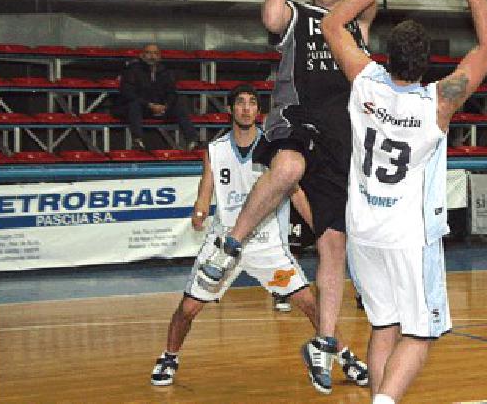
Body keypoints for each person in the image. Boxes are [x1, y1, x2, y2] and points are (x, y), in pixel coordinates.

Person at [197, 0, 375, 394]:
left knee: (333, 243)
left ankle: (323, 343)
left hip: (343, 136)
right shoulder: (299, 12)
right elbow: (272, 19)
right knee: (290, 164)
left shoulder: (356, 20)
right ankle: (232, 242)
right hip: (296, 118)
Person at [321, 0, 487, 404]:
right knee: (419, 335)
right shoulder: (439, 101)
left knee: (384, 326)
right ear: (426, 64)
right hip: (407, 235)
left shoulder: (363, 79)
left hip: (363, 229)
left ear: (386, 53)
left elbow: (332, 23)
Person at [150, 84, 367, 387]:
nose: (246, 108)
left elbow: (296, 193)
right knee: (187, 308)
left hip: (266, 244)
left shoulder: (275, 150)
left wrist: (321, 229)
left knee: (311, 304)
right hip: (225, 243)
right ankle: (169, 357)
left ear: (258, 111)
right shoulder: (215, 150)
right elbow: (204, 195)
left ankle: (345, 357)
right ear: (231, 109)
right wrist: (199, 211)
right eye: (240, 103)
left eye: (252, 103)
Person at [113, 43, 199, 151]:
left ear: (160, 56)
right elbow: (128, 93)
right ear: (141, 55)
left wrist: (165, 106)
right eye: (149, 53)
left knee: (179, 105)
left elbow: (172, 93)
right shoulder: (131, 70)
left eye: (155, 53)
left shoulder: (165, 72)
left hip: (160, 108)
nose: (152, 56)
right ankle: (137, 141)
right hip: (141, 107)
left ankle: (193, 141)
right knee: (133, 105)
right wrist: (149, 105)